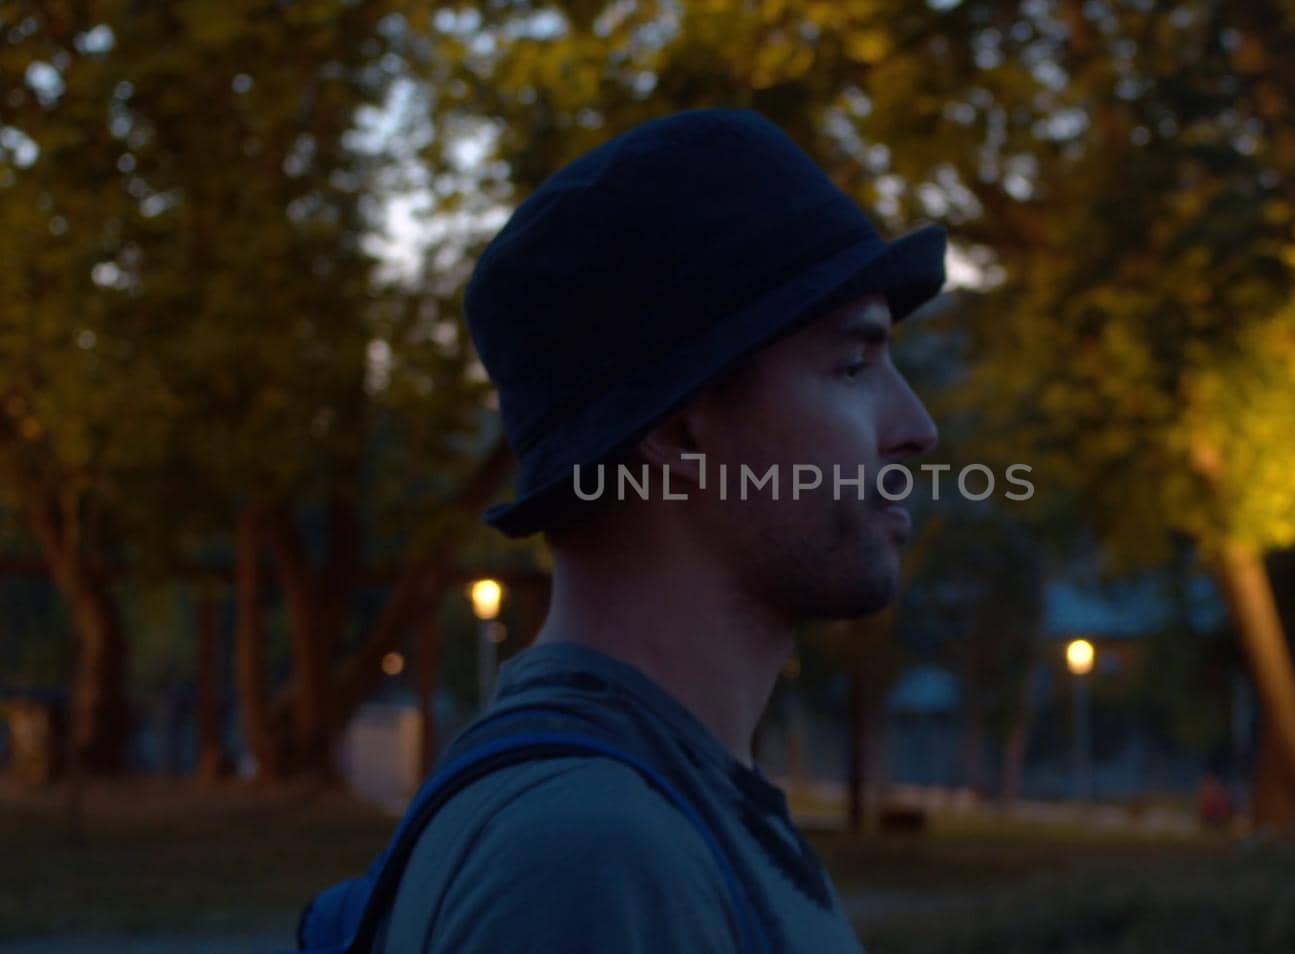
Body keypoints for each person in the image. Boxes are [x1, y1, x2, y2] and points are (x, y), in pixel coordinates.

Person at [378, 108, 945, 952]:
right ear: (682, 433)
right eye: (853, 365)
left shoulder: (671, 805)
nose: (917, 427)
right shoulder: (591, 858)